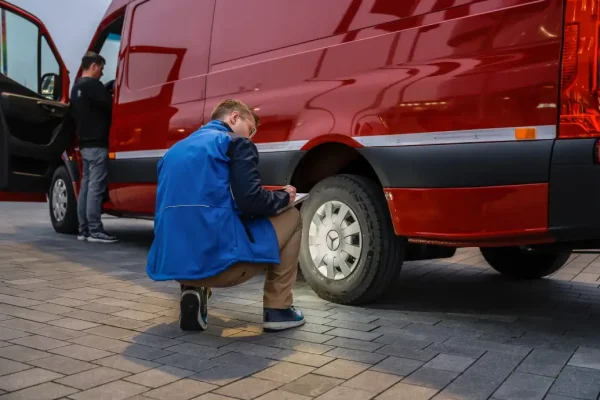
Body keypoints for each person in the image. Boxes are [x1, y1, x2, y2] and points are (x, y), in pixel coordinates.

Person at [146, 99, 305, 332]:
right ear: (233, 118)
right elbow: (250, 201)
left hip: (177, 266)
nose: (251, 137)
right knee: (292, 217)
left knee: (190, 218)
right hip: (223, 268)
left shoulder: (173, 152)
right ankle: (278, 309)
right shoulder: (235, 142)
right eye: (250, 129)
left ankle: (192, 291)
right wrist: (285, 197)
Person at [70, 52, 117, 243]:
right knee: (96, 188)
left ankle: (83, 230)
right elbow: (111, 106)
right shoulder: (94, 86)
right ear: (94, 66)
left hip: (84, 145)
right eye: (101, 68)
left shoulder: (77, 88)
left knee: (86, 188)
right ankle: (96, 230)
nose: (102, 73)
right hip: (98, 144)